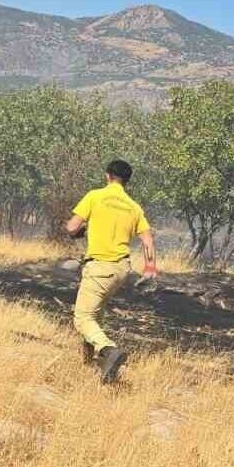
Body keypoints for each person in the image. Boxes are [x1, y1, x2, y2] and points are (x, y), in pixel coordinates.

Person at [65, 159, 157, 383]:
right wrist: (150, 268)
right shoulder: (134, 207)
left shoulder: (95, 196)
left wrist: (82, 230)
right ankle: (89, 363)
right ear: (127, 181)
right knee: (95, 314)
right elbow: (147, 240)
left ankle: (108, 350)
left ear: (107, 176)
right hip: (121, 269)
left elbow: (71, 227)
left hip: (99, 266)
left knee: (82, 318)